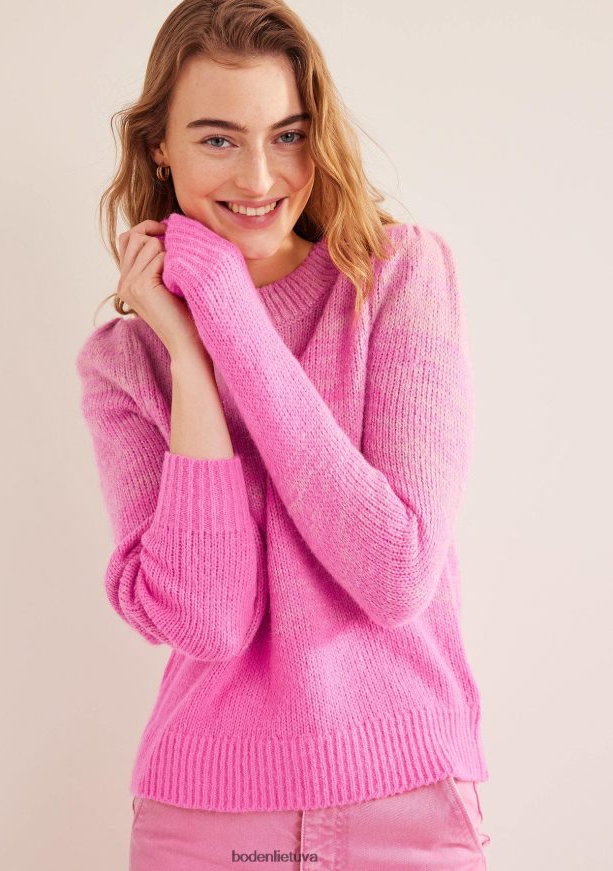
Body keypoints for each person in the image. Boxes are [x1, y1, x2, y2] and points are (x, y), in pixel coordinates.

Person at [75, 1, 492, 867]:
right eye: (218, 139)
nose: (261, 175)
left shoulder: (396, 279)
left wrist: (229, 311)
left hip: (404, 804)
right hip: (203, 817)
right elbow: (210, 619)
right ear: (160, 145)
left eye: (289, 135)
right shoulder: (126, 362)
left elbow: (397, 573)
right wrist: (192, 361)